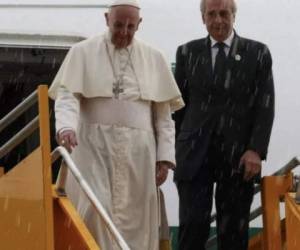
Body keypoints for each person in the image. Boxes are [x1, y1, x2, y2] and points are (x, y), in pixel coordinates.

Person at [48, 0, 184, 249]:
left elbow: (164, 116)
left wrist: (164, 157)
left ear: (139, 24)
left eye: (131, 27)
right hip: (92, 146)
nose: (124, 32)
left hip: (139, 153)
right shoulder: (82, 52)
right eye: (118, 25)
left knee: (137, 219)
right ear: (106, 19)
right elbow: (67, 96)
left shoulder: (154, 58)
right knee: (93, 208)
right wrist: (66, 127)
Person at [173, 0, 274, 249]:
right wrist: (174, 149)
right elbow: (178, 107)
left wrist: (256, 150)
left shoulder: (257, 52)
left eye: (224, 13)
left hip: (239, 158)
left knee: (233, 234)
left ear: (233, 15)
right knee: (191, 227)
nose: (218, 20)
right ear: (203, 18)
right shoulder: (186, 53)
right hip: (194, 157)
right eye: (211, 14)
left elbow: (265, 105)